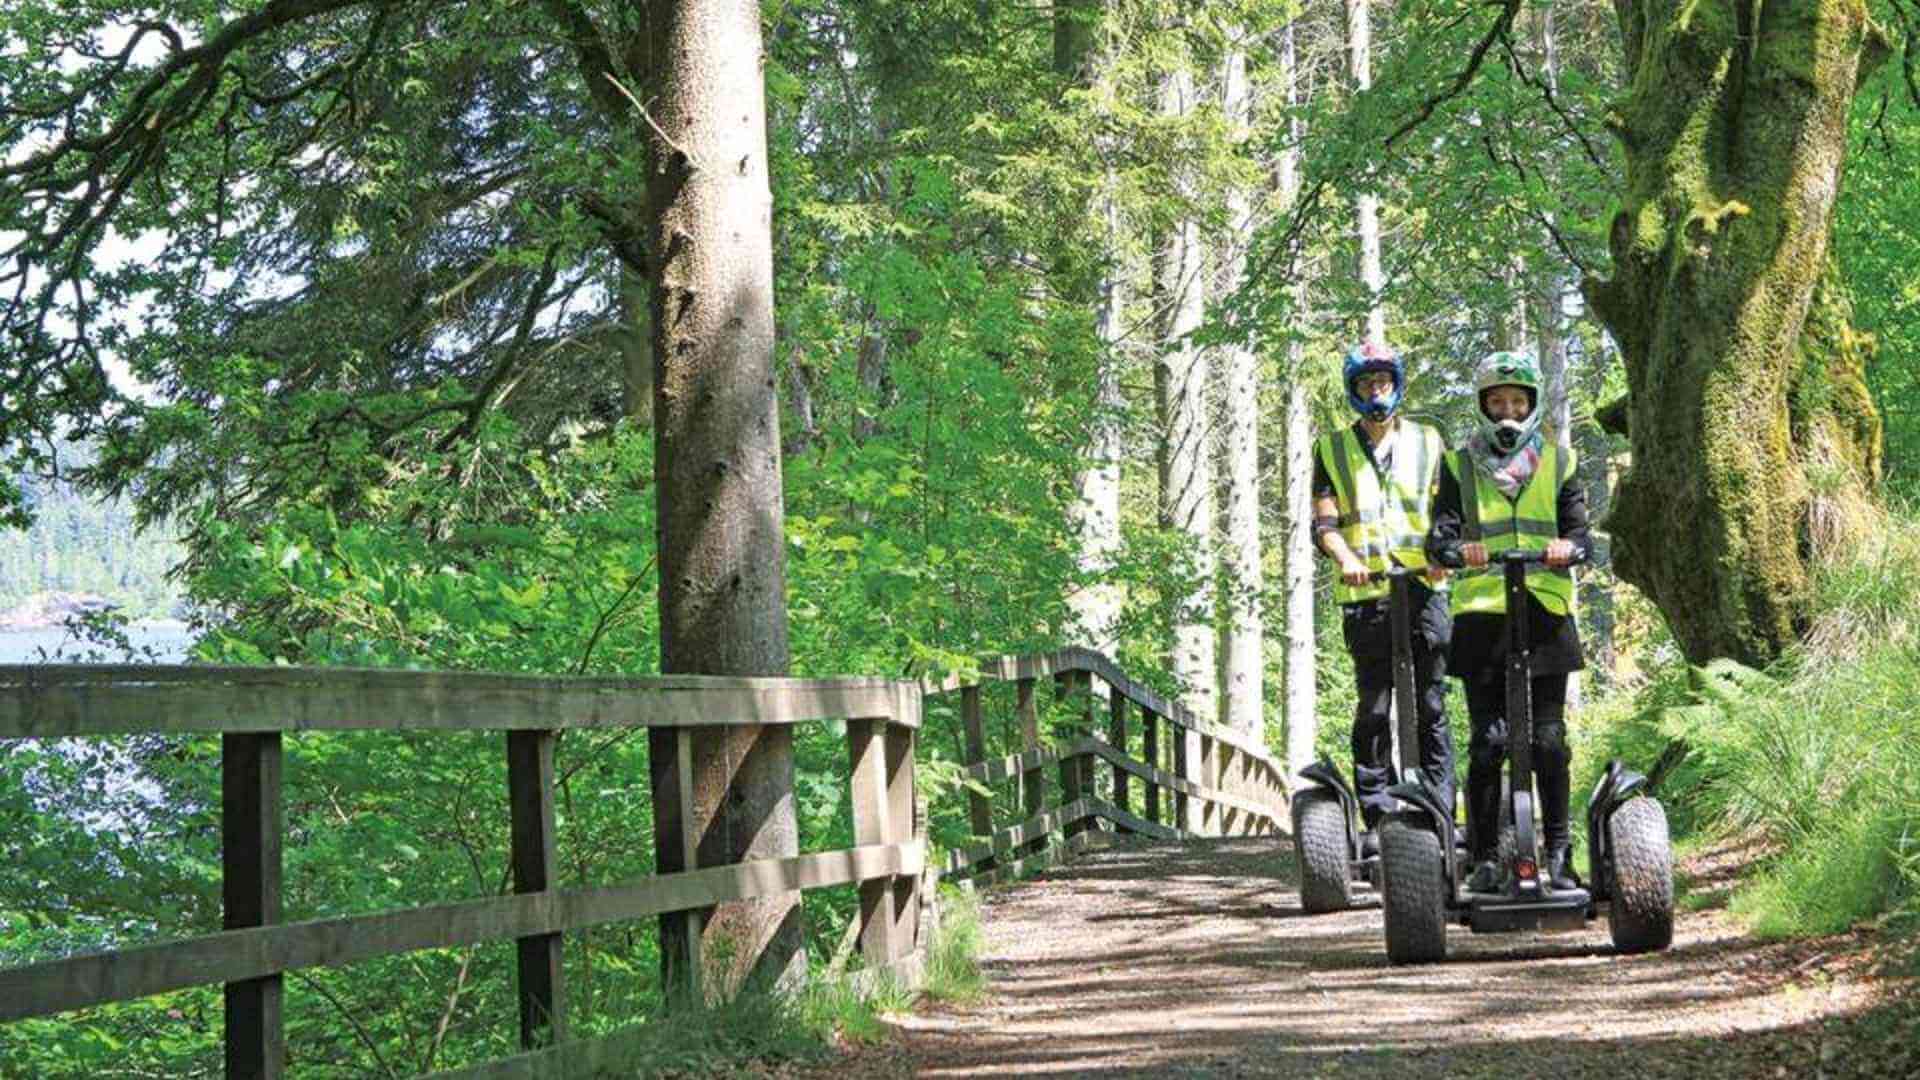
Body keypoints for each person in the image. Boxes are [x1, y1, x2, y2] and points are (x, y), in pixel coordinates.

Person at [1425, 351, 1589, 893]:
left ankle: (1561, 853)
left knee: (1548, 740)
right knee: (1489, 742)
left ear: (1533, 405)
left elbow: (1582, 533)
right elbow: (1439, 538)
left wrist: (1570, 547)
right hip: (1482, 616)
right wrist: (1457, 550)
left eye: (1517, 402)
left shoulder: (1560, 463)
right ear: (1482, 407)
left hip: (1543, 610)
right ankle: (1487, 857)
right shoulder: (1457, 464)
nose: (1507, 414)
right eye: (1497, 403)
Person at [1312, 341, 1456, 848]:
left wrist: (1444, 549)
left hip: (1423, 586)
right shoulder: (1332, 449)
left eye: (1384, 382)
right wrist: (1347, 559)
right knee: (1375, 705)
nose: (1378, 391)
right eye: (1368, 384)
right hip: (1366, 593)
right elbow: (1324, 523)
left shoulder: (1429, 440)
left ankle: (1440, 810)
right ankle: (1378, 813)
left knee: (1431, 704)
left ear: (1396, 385)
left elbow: (1448, 511)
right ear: (1355, 391)